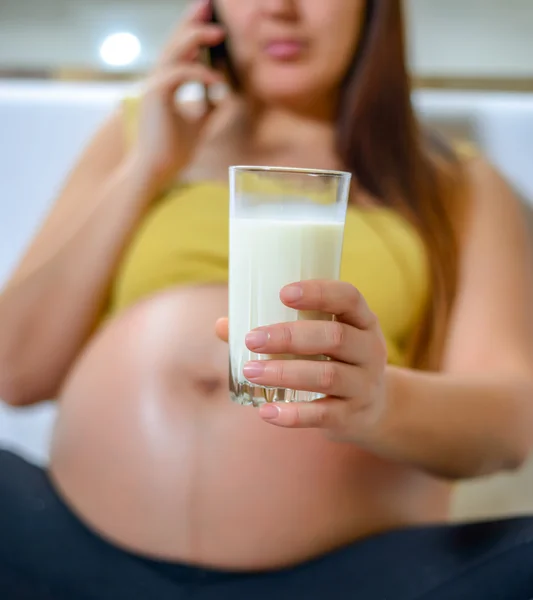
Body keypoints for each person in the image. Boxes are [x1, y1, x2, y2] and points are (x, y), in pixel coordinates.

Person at [1, 0, 533, 597]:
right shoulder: (136, 135)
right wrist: (147, 166)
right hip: (71, 548)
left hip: (350, 574)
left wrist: (379, 401)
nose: (279, 9)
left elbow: (510, 427)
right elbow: (14, 372)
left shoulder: (454, 181)